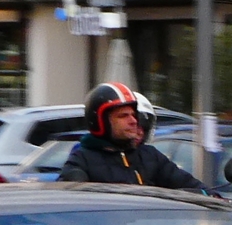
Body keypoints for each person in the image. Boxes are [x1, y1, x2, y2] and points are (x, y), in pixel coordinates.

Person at [59, 82, 211, 191]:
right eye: (123, 116)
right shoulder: (82, 159)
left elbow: (187, 183)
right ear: (101, 121)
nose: (133, 121)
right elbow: (70, 198)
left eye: (133, 115)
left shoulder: (150, 156)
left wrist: (213, 197)